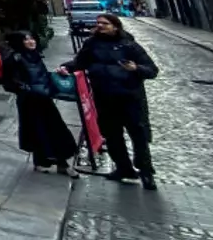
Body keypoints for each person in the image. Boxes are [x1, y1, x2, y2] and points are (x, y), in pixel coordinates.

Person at [60, 13, 160, 190]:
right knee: (112, 136)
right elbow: (79, 62)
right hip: (104, 97)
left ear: (115, 26)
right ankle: (123, 168)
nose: (100, 26)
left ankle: (146, 172)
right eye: (98, 23)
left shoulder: (129, 45)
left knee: (138, 136)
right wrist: (66, 67)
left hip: (130, 98)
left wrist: (136, 68)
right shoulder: (91, 45)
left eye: (105, 23)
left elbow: (152, 70)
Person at [2, 30, 79, 177]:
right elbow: (9, 83)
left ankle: (61, 162)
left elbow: (41, 75)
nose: (31, 42)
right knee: (39, 130)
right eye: (26, 40)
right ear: (19, 42)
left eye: (32, 38)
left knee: (55, 128)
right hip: (29, 101)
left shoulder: (35, 55)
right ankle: (43, 162)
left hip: (44, 98)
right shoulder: (13, 59)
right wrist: (26, 89)